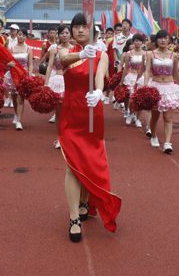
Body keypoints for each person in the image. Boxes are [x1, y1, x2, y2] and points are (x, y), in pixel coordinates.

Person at [58, 13, 121, 242]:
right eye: (76, 27)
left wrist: (98, 92)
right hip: (70, 115)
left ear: (91, 30)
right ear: (72, 31)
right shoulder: (65, 50)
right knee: (72, 165)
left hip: (92, 114)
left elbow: (100, 80)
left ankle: (86, 201)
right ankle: (74, 217)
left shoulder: (102, 55)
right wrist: (81, 55)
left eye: (85, 26)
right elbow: (64, 60)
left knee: (89, 161)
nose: (80, 30)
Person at [143, 29, 179, 152]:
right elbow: (147, 71)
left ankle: (167, 143)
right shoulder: (151, 54)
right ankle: (154, 136)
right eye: (160, 38)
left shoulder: (174, 55)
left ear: (169, 40)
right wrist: (145, 86)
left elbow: (176, 72)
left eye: (165, 38)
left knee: (168, 118)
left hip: (170, 87)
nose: (163, 40)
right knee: (155, 116)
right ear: (157, 40)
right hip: (155, 86)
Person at [44, 24, 72, 148]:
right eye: (62, 33)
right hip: (58, 81)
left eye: (67, 32)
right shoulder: (54, 48)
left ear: (70, 34)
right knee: (59, 113)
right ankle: (60, 138)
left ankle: (69, 137)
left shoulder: (76, 49)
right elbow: (49, 66)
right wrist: (46, 83)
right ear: (58, 35)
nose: (64, 35)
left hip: (72, 82)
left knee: (71, 112)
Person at [2, 28, 33, 131]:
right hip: (13, 75)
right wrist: (9, 64)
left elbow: (30, 64)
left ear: (26, 37)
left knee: (20, 98)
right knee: (14, 98)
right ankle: (16, 114)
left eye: (24, 35)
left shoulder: (29, 49)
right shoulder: (11, 49)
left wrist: (29, 75)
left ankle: (19, 121)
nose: (21, 37)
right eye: (20, 34)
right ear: (17, 35)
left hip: (23, 76)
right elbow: (7, 62)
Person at [120, 34, 145, 127]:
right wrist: (122, 80)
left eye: (140, 41)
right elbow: (126, 67)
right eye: (136, 40)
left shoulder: (145, 54)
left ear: (142, 43)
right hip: (131, 77)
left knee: (140, 99)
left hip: (141, 78)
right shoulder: (130, 53)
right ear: (133, 42)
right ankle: (130, 114)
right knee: (131, 99)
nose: (138, 42)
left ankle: (138, 118)